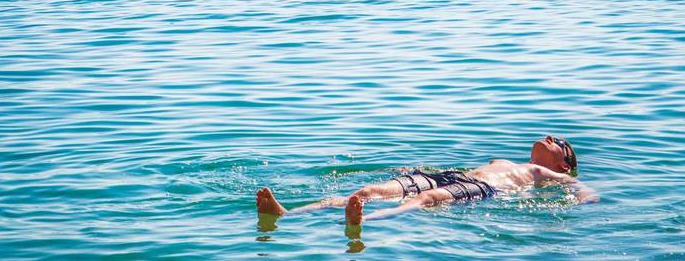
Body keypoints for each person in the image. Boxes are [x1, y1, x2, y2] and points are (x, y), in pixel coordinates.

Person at [256, 135, 598, 226]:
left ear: (564, 164)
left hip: (484, 190)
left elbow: (576, 187)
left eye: (559, 143)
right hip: (458, 177)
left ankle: (364, 220)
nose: (549, 138)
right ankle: (288, 213)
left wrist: (586, 196)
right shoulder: (503, 160)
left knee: (425, 200)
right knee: (369, 190)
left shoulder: (546, 173)